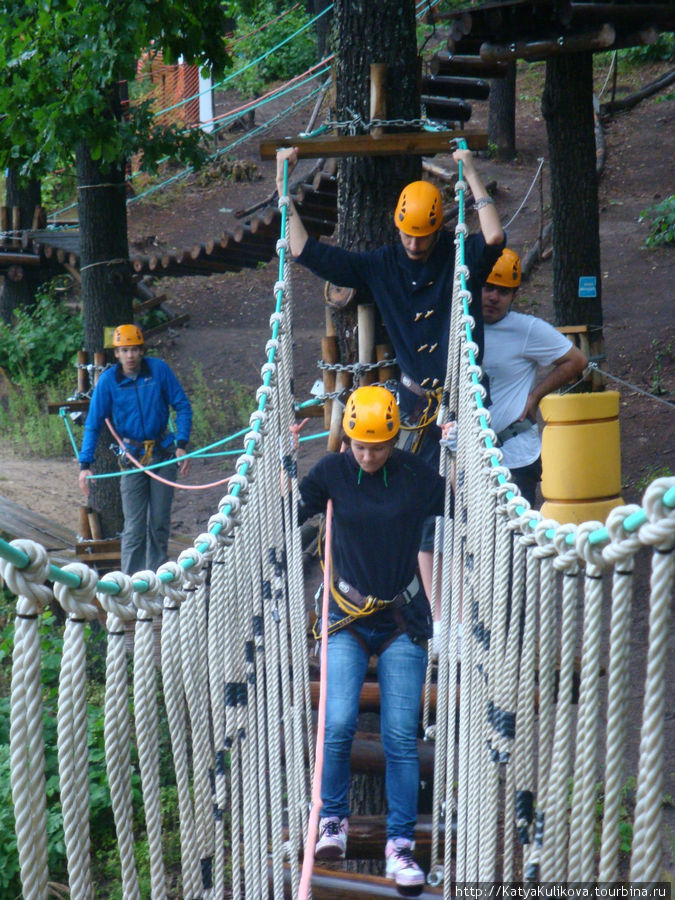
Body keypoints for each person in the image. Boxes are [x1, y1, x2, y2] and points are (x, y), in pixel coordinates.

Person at [276, 145, 504, 617]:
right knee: (405, 498)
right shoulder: (381, 264)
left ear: (439, 227)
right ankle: (423, 610)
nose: (415, 245)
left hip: (464, 402)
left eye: (423, 236)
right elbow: (305, 252)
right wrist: (284, 190)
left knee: (472, 504)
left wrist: (471, 175)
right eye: (408, 235)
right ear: (396, 227)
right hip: (418, 406)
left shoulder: (458, 257)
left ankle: (472, 611)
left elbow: (495, 236)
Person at [296, 385, 446, 892]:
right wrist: (279, 463)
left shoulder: (415, 476)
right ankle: (332, 819)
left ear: (394, 440)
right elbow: (290, 512)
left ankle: (400, 846)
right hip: (346, 619)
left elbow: (460, 507)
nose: (369, 454)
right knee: (336, 723)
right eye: (361, 445)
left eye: (379, 446)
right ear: (350, 440)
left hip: (403, 620)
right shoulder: (334, 472)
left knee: (401, 736)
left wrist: (456, 448)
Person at [78, 324, 192, 575]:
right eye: (124, 350)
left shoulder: (158, 371)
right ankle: (131, 587)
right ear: (117, 354)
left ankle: (158, 583)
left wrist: (182, 445)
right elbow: (93, 424)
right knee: (134, 527)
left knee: (159, 523)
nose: (130, 356)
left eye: (134, 350)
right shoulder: (109, 382)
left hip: (163, 455)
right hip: (132, 459)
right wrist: (85, 465)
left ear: (142, 351)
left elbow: (182, 406)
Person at [481, 249, 588, 507]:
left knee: (515, 542)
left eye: (503, 291)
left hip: (514, 456)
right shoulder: (459, 327)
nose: (494, 297)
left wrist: (535, 395)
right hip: (467, 456)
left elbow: (577, 360)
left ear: (514, 296)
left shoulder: (525, 329)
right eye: (488, 288)